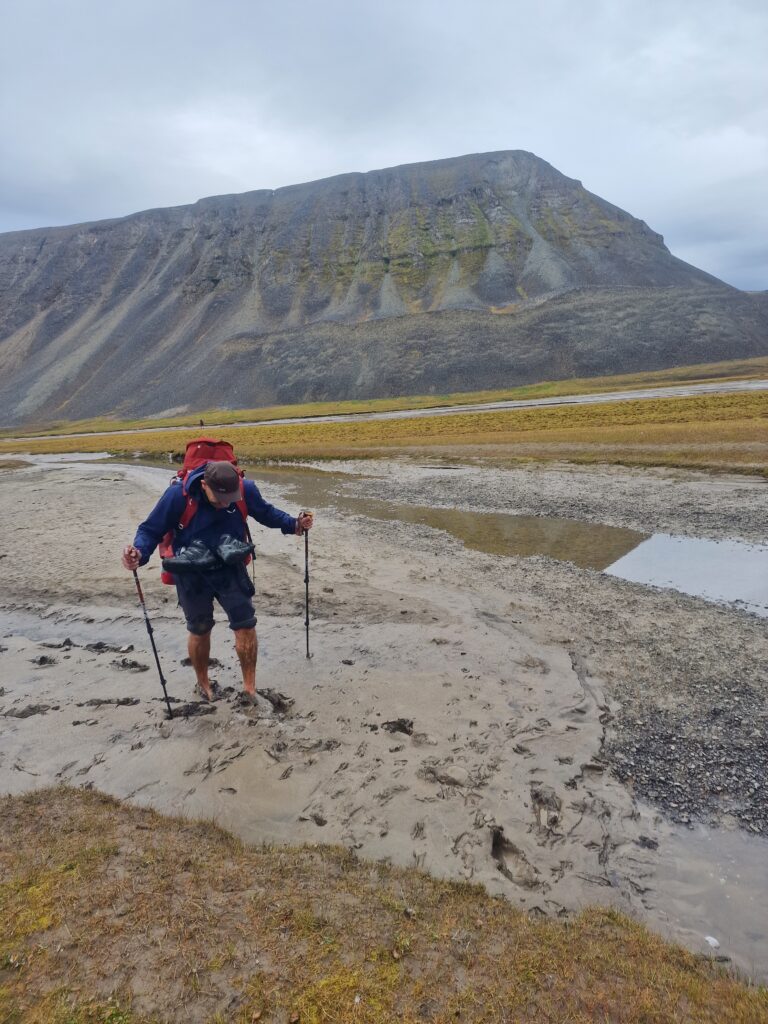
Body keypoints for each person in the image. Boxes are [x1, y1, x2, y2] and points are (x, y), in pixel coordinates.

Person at [121, 461, 313, 705]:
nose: (227, 503)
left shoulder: (245, 490)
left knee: (246, 625)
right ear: (204, 485)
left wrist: (295, 524)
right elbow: (150, 530)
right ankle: (203, 683)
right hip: (190, 572)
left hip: (230, 567)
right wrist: (138, 552)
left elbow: (267, 513)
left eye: (231, 497)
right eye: (220, 498)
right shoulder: (178, 496)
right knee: (199, 629)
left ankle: (250, 689)